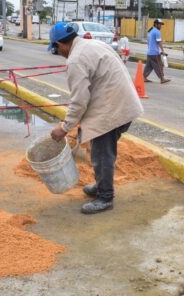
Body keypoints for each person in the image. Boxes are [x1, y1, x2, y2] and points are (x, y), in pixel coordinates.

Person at [49, 23, 144, 214]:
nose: (58, 53)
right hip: (121, 104)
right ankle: (101, 185)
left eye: (56, 49)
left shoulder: (75, 59)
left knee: (102, 155)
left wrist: (64, 128)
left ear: (61, 44)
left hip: (112, 109)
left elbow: (79, 101)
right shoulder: (93, 44)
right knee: (100, 151)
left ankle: (105, 197)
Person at [143, 18, 170, 84]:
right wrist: (162, 51)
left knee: (149, 66)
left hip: (149, 52)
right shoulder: (157, 32)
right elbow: (159, 42)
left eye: (161, 25)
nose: (161, 26)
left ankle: (143, 77)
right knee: (159, 65)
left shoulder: (150, 31)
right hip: (155, 53)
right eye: (159, 24)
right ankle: (162, 79)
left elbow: (149, 41)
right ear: (156, 24)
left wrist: (150, 48)